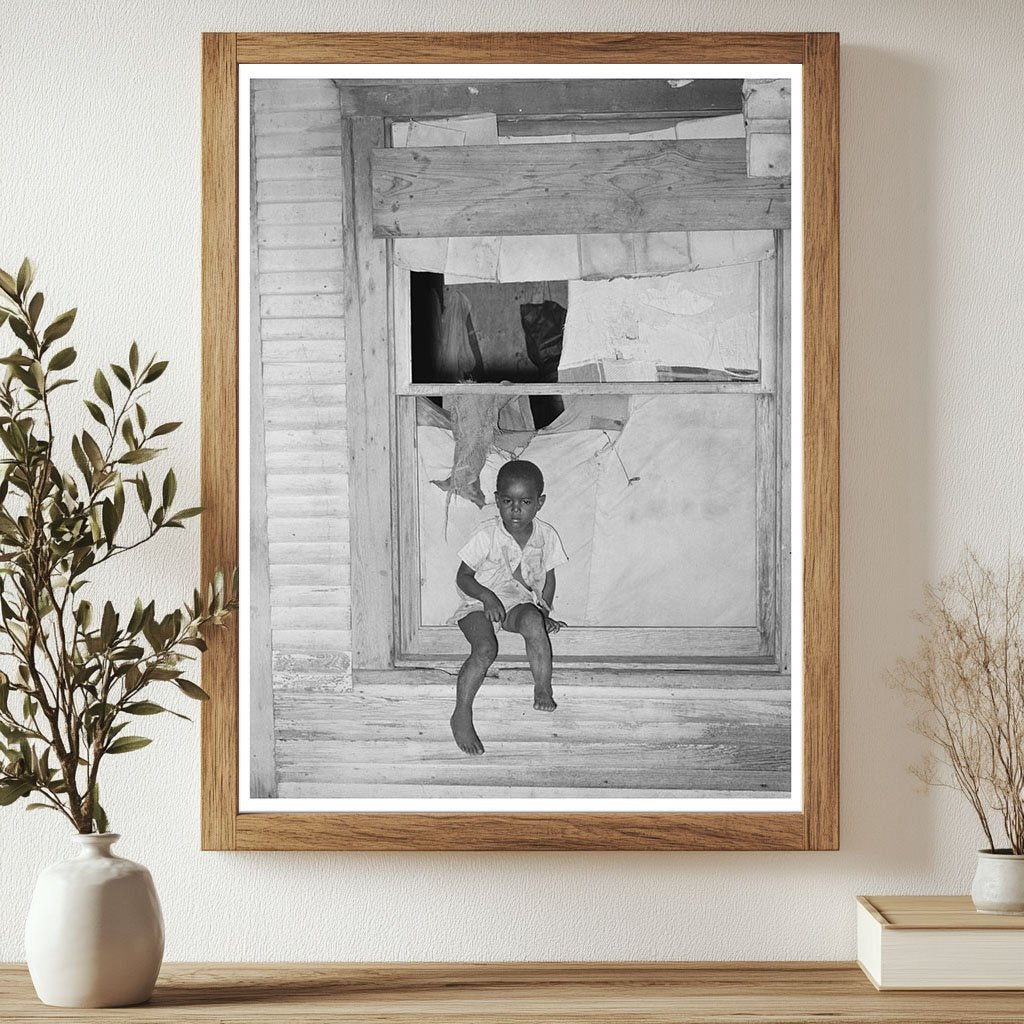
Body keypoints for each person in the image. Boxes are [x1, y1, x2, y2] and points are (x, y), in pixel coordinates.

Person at [448, 460, 568, 755]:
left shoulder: (546, 536)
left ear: (539, 502)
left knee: (533, 623)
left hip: (517, 604)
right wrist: (487, 597)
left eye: (525, 502)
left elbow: (549, 579)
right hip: (479, 603)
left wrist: (544, 612)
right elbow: (463, 577)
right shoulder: (487, 533)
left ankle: (542, 686)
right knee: (485, 649)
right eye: (507, 501)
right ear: (497, 499)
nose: (516, 510)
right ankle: (461, 712)